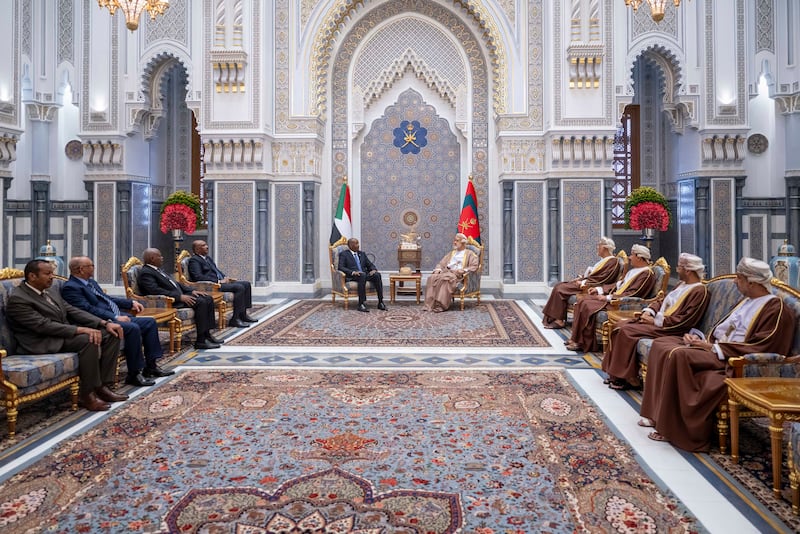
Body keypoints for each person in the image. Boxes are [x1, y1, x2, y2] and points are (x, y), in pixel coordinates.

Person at [639, 257, 795, 452]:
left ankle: (677, 429)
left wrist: (711, 347)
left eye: (739, 278)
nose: (735, 282)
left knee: (678, 355)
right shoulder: (748, 301)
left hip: (733, 359)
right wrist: (700, 339)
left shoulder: (775, 308)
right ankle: (657, 415)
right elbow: (722, 330)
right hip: (716, 348)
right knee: (662, 344)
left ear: (752, 282)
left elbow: (762, 345)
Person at [6, 259, 127, 411]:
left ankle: (102, 386)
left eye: (52, 273)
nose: (52, 277)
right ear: (32, 276)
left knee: (111, 333)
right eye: (47, 274)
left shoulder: (49, 290)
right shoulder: (19, 299)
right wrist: (81, 330)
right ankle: (87, 394)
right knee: (89, 339)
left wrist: (104, 323)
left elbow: (71, 309)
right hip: (42, 341)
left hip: (61, 335)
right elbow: (43, 325)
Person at [601, 253, 710, 390]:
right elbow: (661, 301)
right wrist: (649, 311)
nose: (677, 270)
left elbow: (686, 319)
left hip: (671, 329)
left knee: (626, 331)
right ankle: (617, 374)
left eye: (679, 268)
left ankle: (627, 377)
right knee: (620, 325)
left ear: (688, 270)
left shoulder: (699, 291)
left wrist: (654, 322)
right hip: (660, 323)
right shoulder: (681, 285)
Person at [61, 256, 175, 387]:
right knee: (132, 327)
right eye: (91, 266)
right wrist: (114, 317)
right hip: (98, 321)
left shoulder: (91, 282)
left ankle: (151, 366)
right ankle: (134, 374)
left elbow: (107, 299)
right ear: (81, 269)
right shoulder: (71, 288)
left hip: (113, 316)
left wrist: (130, 303)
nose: (94, 268)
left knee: (149, 322)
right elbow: (88, 309)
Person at [564, 244, 656, 352]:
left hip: (620, 304)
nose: (629, 257)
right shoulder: (634, 271)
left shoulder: (646, 274)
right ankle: (576, 338)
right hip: (613, 299)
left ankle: (582, 343)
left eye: (632, 255)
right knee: (583, 301)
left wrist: (608, 297)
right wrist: (599, 289)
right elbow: (619, 285)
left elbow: (633, 293)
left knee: (587, 305)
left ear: (639, 257)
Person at [138, 248, 223, 350]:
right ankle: (201, 340)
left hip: (179, 295)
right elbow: (155, 290)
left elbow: (175, 284)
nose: (162, 258)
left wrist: (192, 291)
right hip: (170, 302)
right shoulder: (146, 273)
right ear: (152, 258)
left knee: (208, 298)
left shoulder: (157, 269)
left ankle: (207, 335)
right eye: (159, 256)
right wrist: (179, 297)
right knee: (201, 302)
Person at [542, 236, 621, 329]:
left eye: (598, 245)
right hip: (587, 283)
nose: (597, 248)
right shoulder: (604, 261)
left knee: (560, 288)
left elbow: (603, 278)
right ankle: (556, 318)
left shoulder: (612, 261)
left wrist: (584, 282)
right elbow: (595, 275)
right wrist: (581, 278)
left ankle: (559, 321)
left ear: (604, 247)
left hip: (589, 287)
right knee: (559, 285)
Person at [187, 240, 257, 328]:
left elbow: (216, 271)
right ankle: (235, 319)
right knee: (239, 288)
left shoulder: (207, 258)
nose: (207, 247)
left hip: (220, 282)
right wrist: (218, 281)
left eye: (206, 245)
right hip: (212, 286)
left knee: (246, 284)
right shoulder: (194, 260)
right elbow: (198, 277)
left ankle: (243, 315)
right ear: (197, 249)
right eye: (203, 246)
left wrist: (225, 277)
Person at [422, 233, 479, 312]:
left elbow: (474, 266)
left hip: (457, 275)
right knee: (432, 277)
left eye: (457, 241)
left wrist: (464, 270)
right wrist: (438, 269)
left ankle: (440, 305)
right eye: (454, 240)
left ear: (463, 242)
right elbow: (441, 263)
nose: (454, 242)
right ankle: (429, 304)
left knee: (446, 279)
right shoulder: (451, 253)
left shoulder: (470, 254)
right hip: (446, 272)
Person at [337, 238, 386, 312]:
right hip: (353, 275)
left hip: (364, 274)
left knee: (377, 275)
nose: (358, 245)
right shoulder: (344, 254)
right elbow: (341, 267)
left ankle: (380, 302)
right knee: (362, 276)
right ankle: (361, 304)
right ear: (350, 245)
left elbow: (370, 264)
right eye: (356, 244)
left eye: (358, 243)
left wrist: (373, 270)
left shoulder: (362, 254)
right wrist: (353, 272)